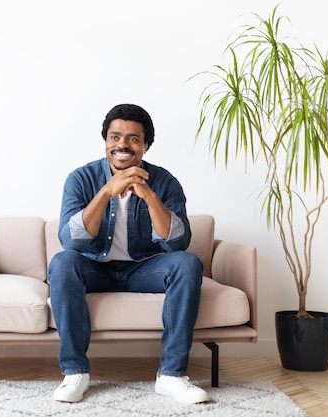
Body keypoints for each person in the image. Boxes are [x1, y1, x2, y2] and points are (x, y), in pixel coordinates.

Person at [48, 103, 210, 404]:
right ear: (106, 141)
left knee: (187, 264)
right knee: (62, 262)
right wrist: (106, 192)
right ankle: (75, 373)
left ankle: (172, 376)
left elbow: (177, 242)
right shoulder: (80, 179)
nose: (122, 144)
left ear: (145, 145)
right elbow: (71, 241)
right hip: (95, 268)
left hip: (143, 270)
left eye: (133, 138)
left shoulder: (165, 182)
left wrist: (148, 195)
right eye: (115, 137)